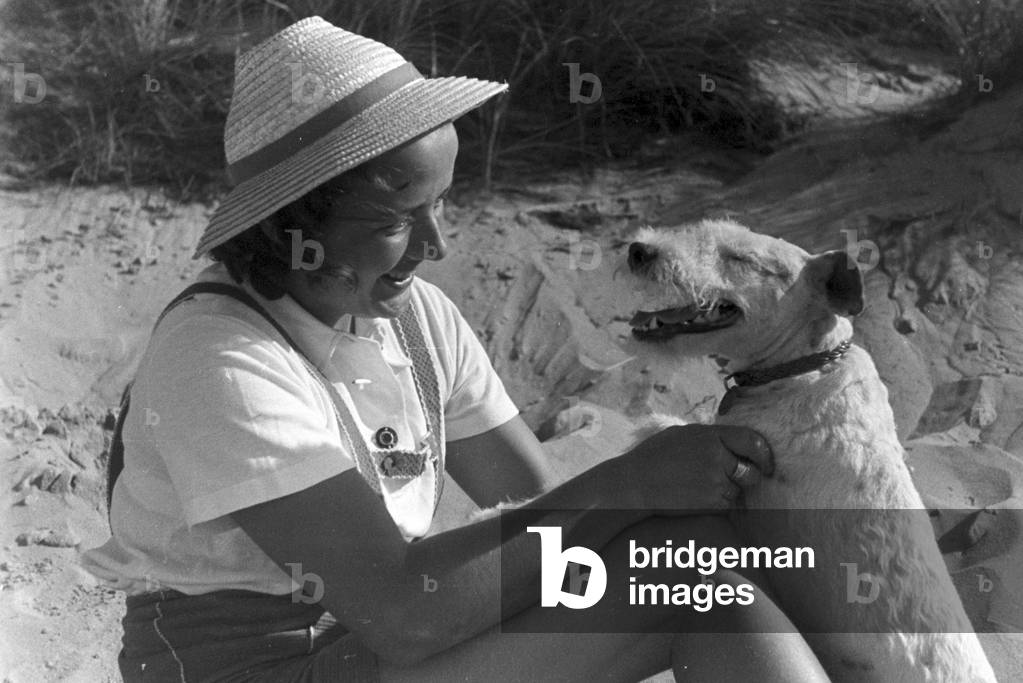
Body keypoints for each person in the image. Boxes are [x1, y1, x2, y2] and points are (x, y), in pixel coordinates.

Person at [81, 17, 829, 682]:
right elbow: (404, 610)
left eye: (439, 202)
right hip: (264, 662)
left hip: (371, 646)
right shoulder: (219, 360)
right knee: (673, 591)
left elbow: (548, 521)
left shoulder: (415, 319)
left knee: (686, 566)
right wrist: (631, 483)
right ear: (290, 226)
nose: (436, 244)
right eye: (395, 220)